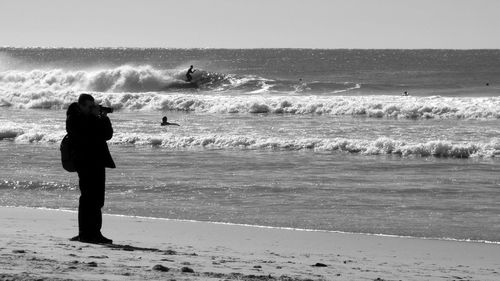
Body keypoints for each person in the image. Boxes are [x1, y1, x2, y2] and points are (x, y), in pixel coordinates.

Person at [66, 94, 115, 244]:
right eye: (88, 106)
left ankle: (90, 232)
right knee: (89, 198)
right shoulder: (74, 118)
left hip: (97, 161)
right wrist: (95, 117)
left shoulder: (92, 118)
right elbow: (85, 133)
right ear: (80, 106)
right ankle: (88, 233)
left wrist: (104, 117)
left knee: (96, 199)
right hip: (85, 162)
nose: (91, 109)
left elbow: (107, 135)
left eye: (93, 106)